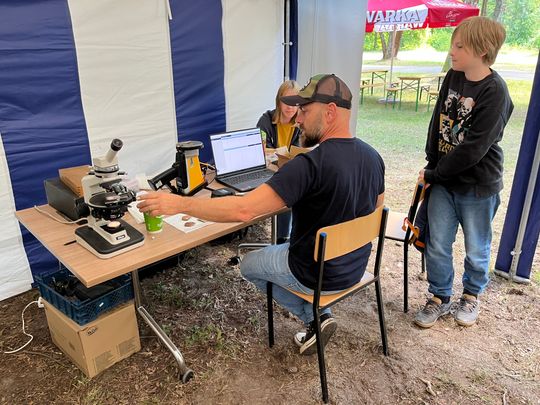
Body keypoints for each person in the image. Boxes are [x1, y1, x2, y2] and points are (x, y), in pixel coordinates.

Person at [137, 74, 385, 355]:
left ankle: (314, 316)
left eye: (305, 111)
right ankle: (319, 314)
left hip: (313, 274)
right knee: (284, 247)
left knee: (248, 265)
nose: (298, 119)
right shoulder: (373, 157)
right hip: (354, 268)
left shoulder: (308, 165)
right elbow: (376, 208)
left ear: (329, 112)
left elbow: (243, 210)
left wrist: (178, 204)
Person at [414, 16, 514, 329]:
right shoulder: (453, 76)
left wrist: (434, 174)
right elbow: (437, 122)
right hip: (444, 181)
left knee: (476, 246)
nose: (451, 51)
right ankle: (439, 296)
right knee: (438, 243)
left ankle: (471, 295)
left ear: (481, 50)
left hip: (478, 186)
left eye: (459, 46)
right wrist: (431, 163)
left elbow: (474, 149)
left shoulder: (495, 91)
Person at [257, 80, 302, 244]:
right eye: (286, 101)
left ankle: (288, 236)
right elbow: (261, 150)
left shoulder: (301, 123)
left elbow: (300, 153)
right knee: (286, 189)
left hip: (288, 170)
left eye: (294, 102)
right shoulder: (266, 120)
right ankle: (282, 238)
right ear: (279, 101)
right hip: (268, 169)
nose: (290, 107)